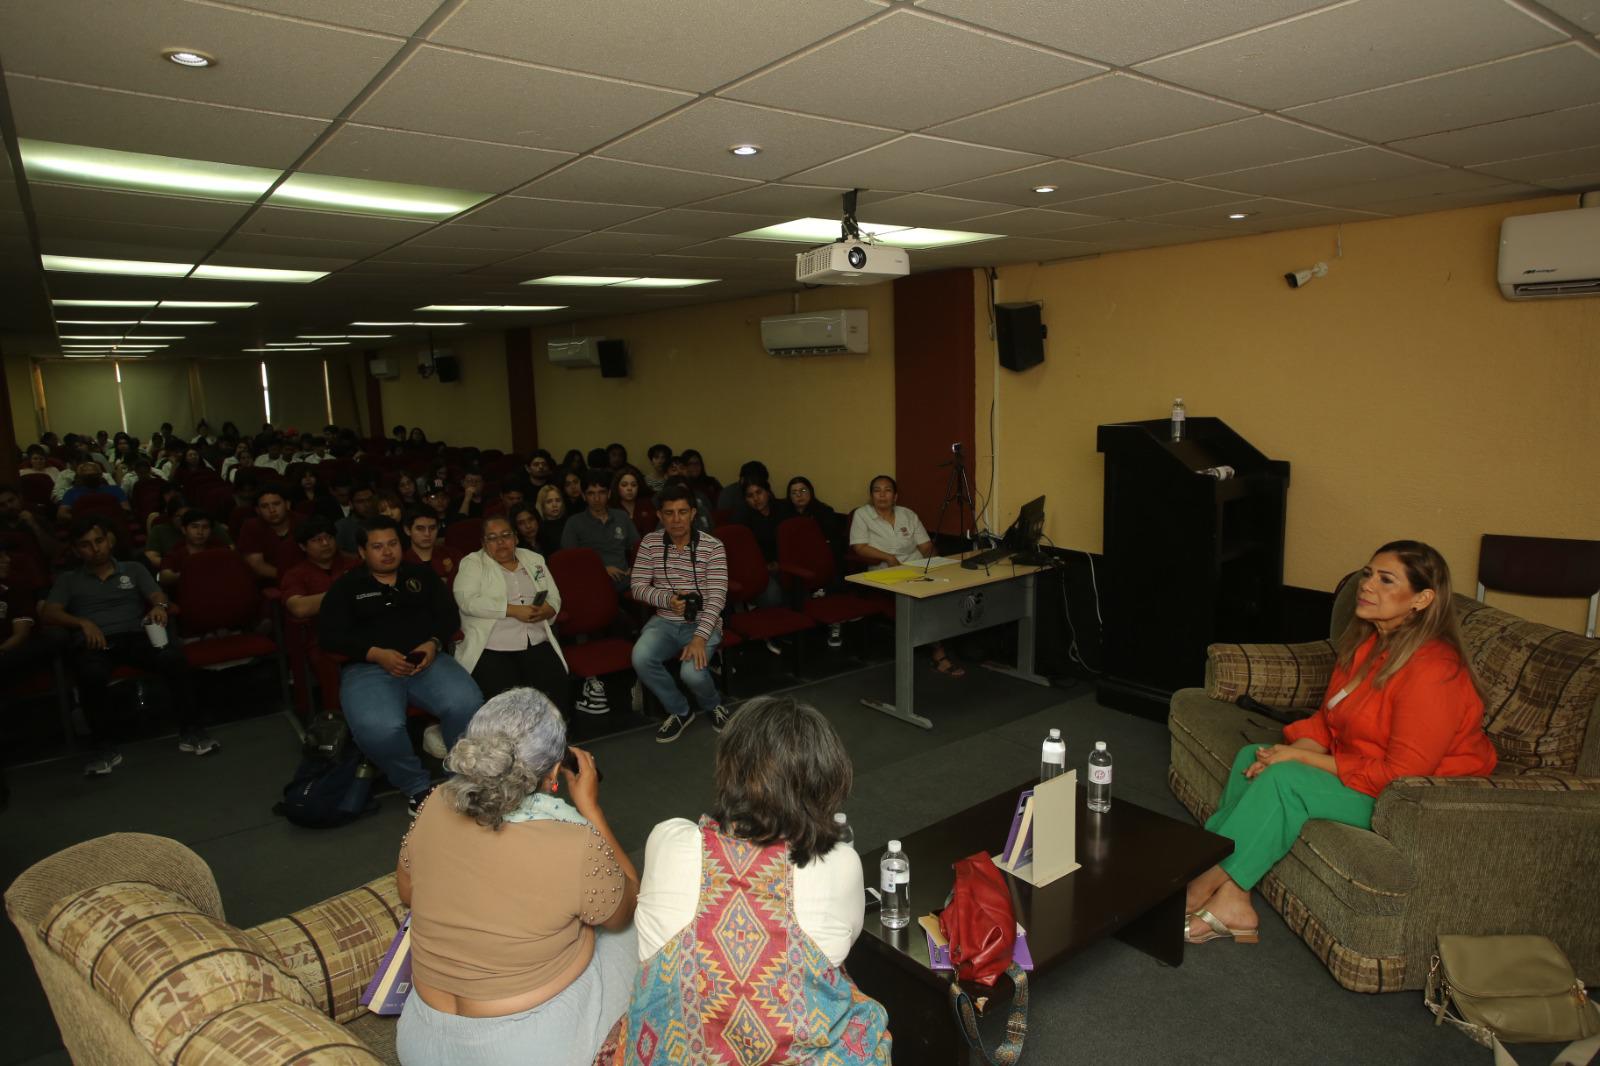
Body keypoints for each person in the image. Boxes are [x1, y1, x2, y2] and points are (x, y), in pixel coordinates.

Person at [1183, 540, 1499, 945]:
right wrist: (1287, 751)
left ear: (1422, 599)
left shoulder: (1434, 670)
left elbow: (1403, 775)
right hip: (1369, 767)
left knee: (1286, 780)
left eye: (1387, 580)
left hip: (1419, 798)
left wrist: (1297, 760)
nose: (1367, 586)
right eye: (1368, 574)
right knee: (1253, 755)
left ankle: (1199, 882)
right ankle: (1234, 898)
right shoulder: (1368, 645)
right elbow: (1331, 722)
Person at [603, 696, 889, 1065]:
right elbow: (841, 946)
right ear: (824, 785)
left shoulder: (669, 839)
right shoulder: (840, 863)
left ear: (730, 771)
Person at [396, 689, 637, 1066]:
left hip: (421, 1042)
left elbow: (408, 893)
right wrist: (590, 808)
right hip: (529, 1048)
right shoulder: (576, 842)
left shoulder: (433, 804)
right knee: (633, 926)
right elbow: (627, 907)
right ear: (555, 773)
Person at [317, 516, 483, 813]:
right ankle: (417, 787)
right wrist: (374, 653)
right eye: (377, 547)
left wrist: (433, 643)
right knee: (379, 728)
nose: (387, 552)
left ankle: (461, 777)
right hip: (369, 668)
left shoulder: (421, 576)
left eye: (392, 544)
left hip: (426, 661)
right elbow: (329, 637)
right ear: (362, 552)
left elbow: (448, 617)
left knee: (467, 702)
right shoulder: (346, 586)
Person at [41, 517, 217, 774]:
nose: (95, 548)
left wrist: (159, 606)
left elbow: (158, 594)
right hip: (95, 642)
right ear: (77, 550)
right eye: (86, 545)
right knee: (90, 674)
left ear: (109, 540)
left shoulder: (133, 568)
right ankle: (103, 746)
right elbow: (49, 613)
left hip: (134, 636)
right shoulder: (69, 580)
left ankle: (191, 731)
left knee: (173, 658)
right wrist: (81, 622)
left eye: (99, 541)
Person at [629, 485, 729, 743]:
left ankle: (712, 704)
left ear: (693, 513)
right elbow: (637, 587)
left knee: (691, 674)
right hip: (664, 620)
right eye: (669, 513)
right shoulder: (650, 543)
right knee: (641, 658)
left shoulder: (713, 547)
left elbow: (717, 598)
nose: (676, 519)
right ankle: (680, 710)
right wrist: (667, 600)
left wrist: (699, 638)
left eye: (682, 512)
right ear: (660, 516)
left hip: (704, 622)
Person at [849, 475, 963, 676]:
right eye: (877, 490)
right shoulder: (862, 515)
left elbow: (926, 546)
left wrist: (935, 563)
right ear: (871, 495)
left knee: (943, 593)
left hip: (916, 568)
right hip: (884, 573)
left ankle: (940, 642)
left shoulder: (908, 514)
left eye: (887, 490)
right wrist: (889, 558)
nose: (882, 495)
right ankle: (938, 653)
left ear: (895, 496)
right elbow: (859, 547)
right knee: (921, 600)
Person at [453, 517, 568, 708]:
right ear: (483, 543)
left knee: (556, 693)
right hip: (492, 646)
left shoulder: (534, 559)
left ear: (515, 538)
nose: (500, 542)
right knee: (507, 705)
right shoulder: (472, 563)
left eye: (506, 535)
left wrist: (549, 609)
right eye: (492, 538)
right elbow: (467, 601)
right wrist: (513, 610)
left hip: (536, 639)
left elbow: (554, 596)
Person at [560, 470, 639, 591]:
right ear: (583, 496)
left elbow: (638, 547)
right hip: (591, 581)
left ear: (609, 494)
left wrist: (635, 567)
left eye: (601, 492)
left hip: (625, 580)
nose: (597, 498)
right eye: (591, 493)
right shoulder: (574, 522)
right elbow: (570, 560)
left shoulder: (621, 517)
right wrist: (602, 569)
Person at [279, 516, 353, 621]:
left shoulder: (353, 564)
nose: (325, 543)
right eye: (317, 540)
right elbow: (299, 608)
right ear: (303, 546)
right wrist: (347, 593)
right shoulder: (295, 574)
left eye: (329, 537)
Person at [238, 484, 304, 582]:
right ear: (257, 510)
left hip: (306, 577)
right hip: (269, 582)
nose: (272, 510)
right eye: (265, 506)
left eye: (276, 504)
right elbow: (257, 566)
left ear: (287, 504)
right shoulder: (251, 527)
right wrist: (291, 578)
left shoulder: (303, 522)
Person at [737, 480, 786, 608]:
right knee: (773, 596)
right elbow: (744, 555)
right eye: (750, 496)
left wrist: (779, 562)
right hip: (758, 570)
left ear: (768, 493)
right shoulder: (742, 520)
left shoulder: (782, 511)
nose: (756, 498)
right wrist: (765, 566)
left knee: (798, 586)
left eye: (759, 492)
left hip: (783, 564)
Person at [156, 509, 232, 586]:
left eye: (205, 527)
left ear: (211, 530)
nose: (200, 532)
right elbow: (164, 576)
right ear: (184, 530)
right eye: (195, 527)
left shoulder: (219, 548)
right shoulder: (176, 551)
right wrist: (186, 574)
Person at [404, 509, 457, 583]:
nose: (427, 534)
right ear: (407, 530)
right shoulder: (401, 562)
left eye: (432, 528)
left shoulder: (453, 555)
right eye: (420, 529)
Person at [335, 483, 380, 556]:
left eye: (370, 499)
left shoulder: (384, 521)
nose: (367, 505)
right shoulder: (341, 526)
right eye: (360, 501)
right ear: (351, 504)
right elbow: (338, 553)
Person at [610, 467, 655, 536]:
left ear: (638, 487)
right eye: (624, 485)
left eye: (634, 485)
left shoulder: (647, 504)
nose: (629, 488)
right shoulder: (612, 509)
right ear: (617, 487)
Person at [534, 484, 568, 556]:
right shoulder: (538, 528)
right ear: (542, 505)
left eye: (558, 500)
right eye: (549, 501)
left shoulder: (570, 523)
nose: (554, 505)